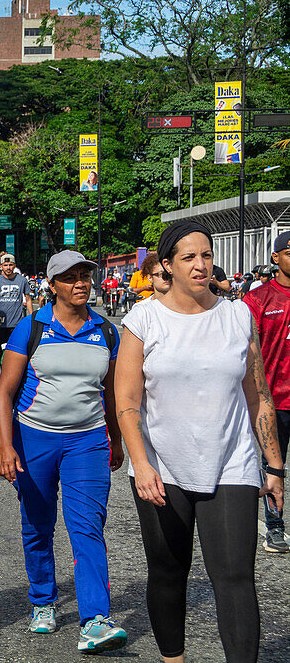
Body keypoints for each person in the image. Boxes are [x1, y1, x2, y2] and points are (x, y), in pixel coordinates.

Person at [114, 221, 284, 663]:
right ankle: (174, 659)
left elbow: (259, 396)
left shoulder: (237, 315)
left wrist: (274, 466)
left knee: (235, 577)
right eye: (189, 257)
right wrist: (141, 463)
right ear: (167, 265)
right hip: (162, 466)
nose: (201, 265)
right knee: (169, 572)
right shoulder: (143, 319)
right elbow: (127, 402)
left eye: (206, 255)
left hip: (232, 462)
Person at [0, 250, 128, 653]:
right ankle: (42, 601)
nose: (80, 283)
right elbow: (4, 392)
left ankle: (95, 619)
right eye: (69, 278)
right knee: (38, 524)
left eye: (85, 275)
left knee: (87, 526)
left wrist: (116, 439)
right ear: (52, 286)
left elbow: (111, 393)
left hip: (88, 441)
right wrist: (5, 446)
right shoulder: (31, 328)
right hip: (34, 437)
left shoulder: (106, 330)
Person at [243, 231, 290, 554]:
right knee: (274, 466)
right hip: (274, 400)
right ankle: (275, 528)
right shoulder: (257, 299)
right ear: (276, 257)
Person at [0, 253, 31, 359]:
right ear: (1, 266)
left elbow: (28, 300)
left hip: (17, 324)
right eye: (5, 265)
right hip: (2, 324)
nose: (8, 268)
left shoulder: (22, 280)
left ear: (14, 265)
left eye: (10, 265)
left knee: (17, 353)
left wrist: (31, 317)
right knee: (3, 353)